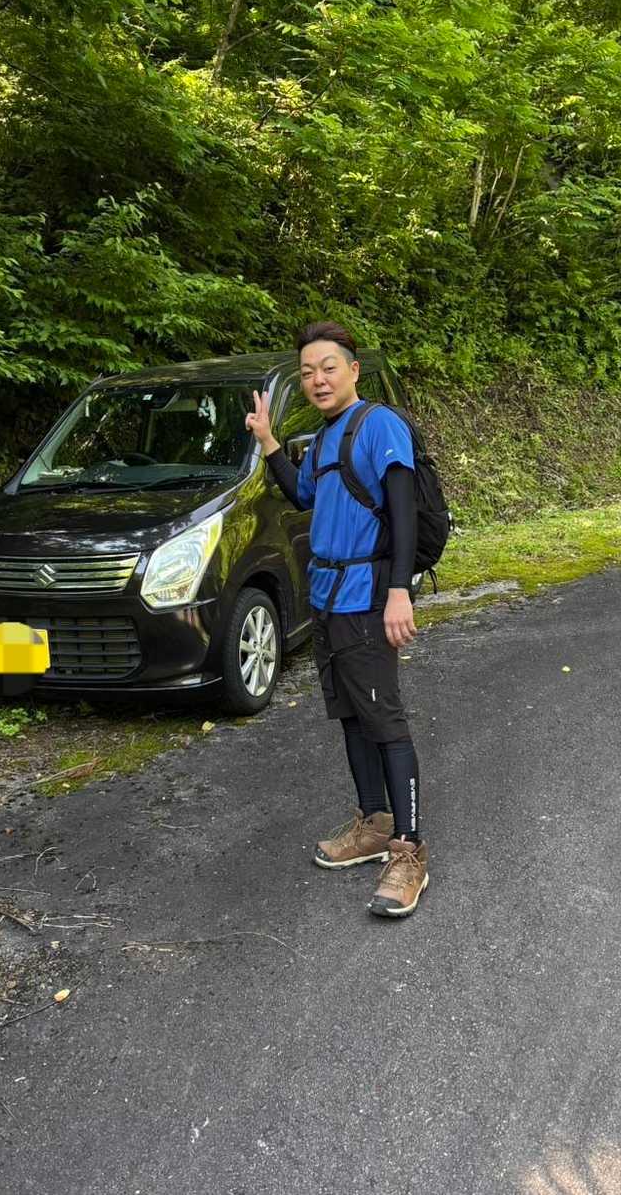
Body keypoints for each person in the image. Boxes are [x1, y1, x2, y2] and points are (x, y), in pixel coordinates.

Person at [245, 320, 429, 918]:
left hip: (368, 597)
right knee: (351, 715)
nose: (317, 379)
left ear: (353, 369)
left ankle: (409, 850)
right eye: (307, 372)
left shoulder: (380, 425)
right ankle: (374, 823)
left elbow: (403, 512)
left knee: (384, 720)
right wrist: (269, 441)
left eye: (328, 367)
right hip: (327, 599)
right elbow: (303, 496)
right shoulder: (325, 438)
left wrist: (399, 590)